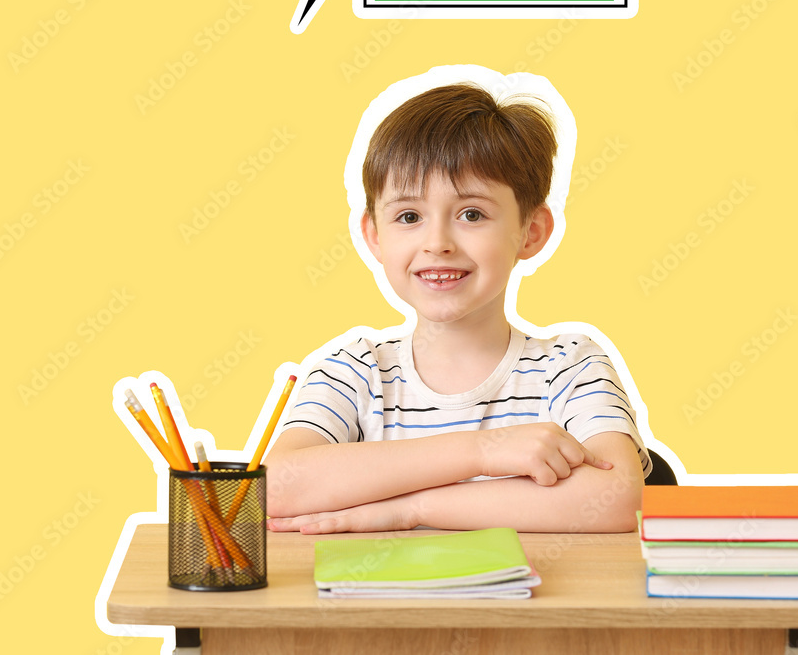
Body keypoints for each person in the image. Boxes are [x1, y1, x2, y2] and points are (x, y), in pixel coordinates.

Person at [265, 73, 650, 534]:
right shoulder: (354, 370)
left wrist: (411, 509)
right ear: (374, 236)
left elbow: (616, 497)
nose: (437, 243)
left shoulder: (570, 367)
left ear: (531, 231)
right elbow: (275, 491)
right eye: (409, 216)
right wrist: (483, 451)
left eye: (472, 214)